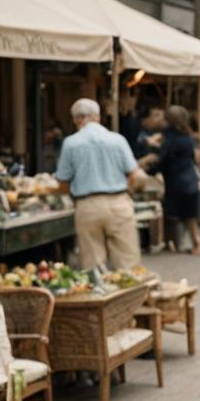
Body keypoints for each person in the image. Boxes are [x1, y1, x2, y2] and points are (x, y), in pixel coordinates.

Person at [55, 98, 142, 271]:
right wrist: (128, 193)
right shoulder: (117, 140)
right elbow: (134, 175)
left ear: (76, 120)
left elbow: (63, 184)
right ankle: (130, 297)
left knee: (93, 267)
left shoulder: (71, 143)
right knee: (128, 263)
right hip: (119, 202)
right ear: (98, 117)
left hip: (87, 206)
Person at [150, 105, 200, 254]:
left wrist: (150, 169)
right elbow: (194, 158)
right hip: (190, 178)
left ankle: (171, 242)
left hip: (175, 180)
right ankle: (196, 241)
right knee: (190, 215)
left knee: (171, 214)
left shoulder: (170, 138)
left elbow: (163, 160)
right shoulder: (188, 136)